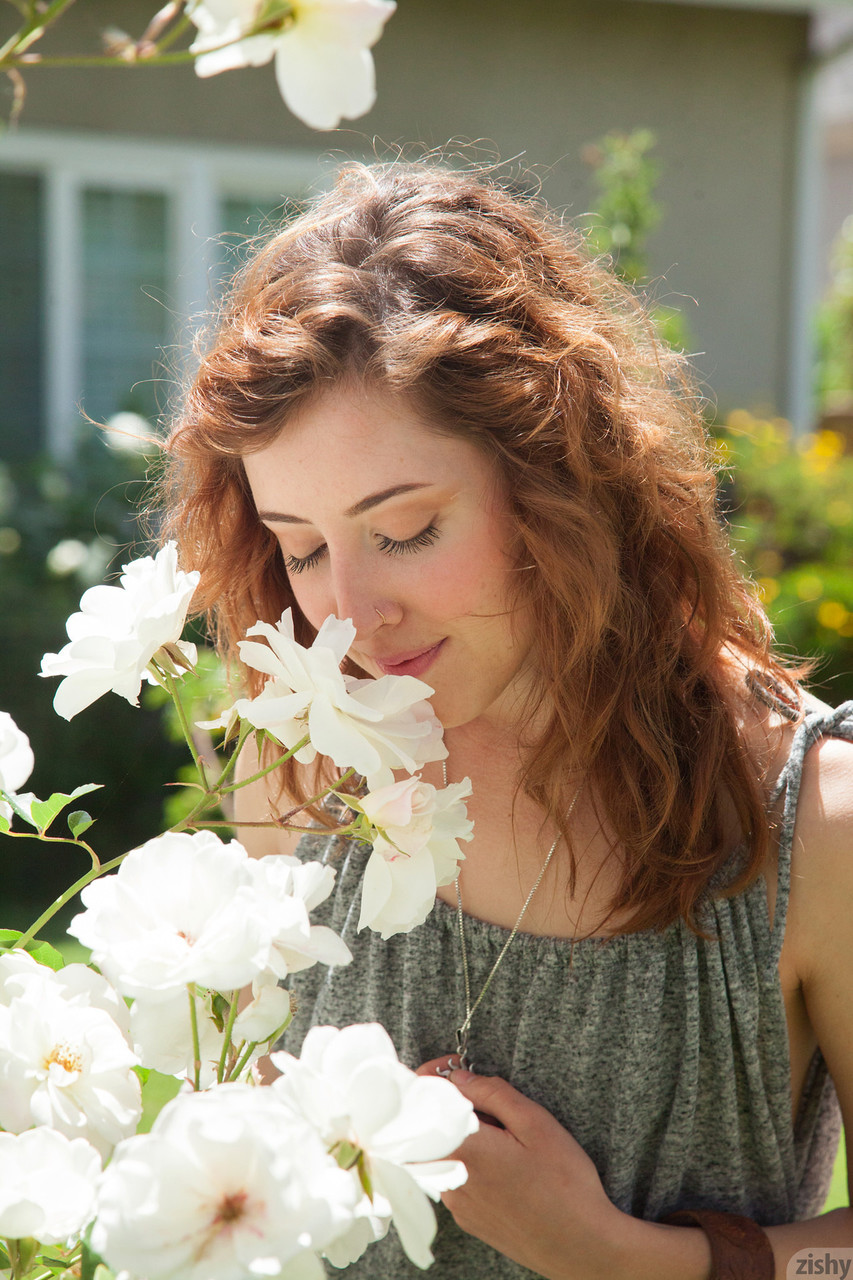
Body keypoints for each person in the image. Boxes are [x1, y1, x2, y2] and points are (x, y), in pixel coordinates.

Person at [163, 161, 853, 1279]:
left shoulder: (811, 826)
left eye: (404, 529)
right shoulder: (296, 766)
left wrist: (624, 1258)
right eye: (302, 547)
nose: (349, 616)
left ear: (556, 483)